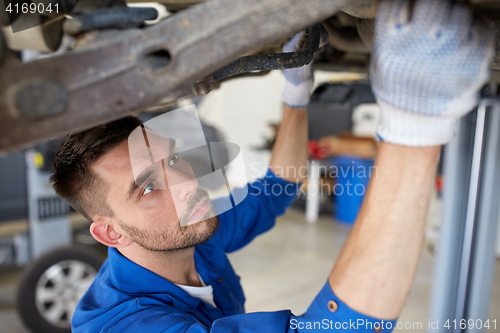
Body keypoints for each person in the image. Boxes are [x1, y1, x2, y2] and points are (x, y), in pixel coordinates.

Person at [50, 0, 493, 331]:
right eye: (148, 188)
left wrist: (295, 96)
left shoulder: (190, 238)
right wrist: (413, 126)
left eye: (175, 162)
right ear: (110, 231)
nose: (187, 186)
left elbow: (278, 187)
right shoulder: (122, 325)